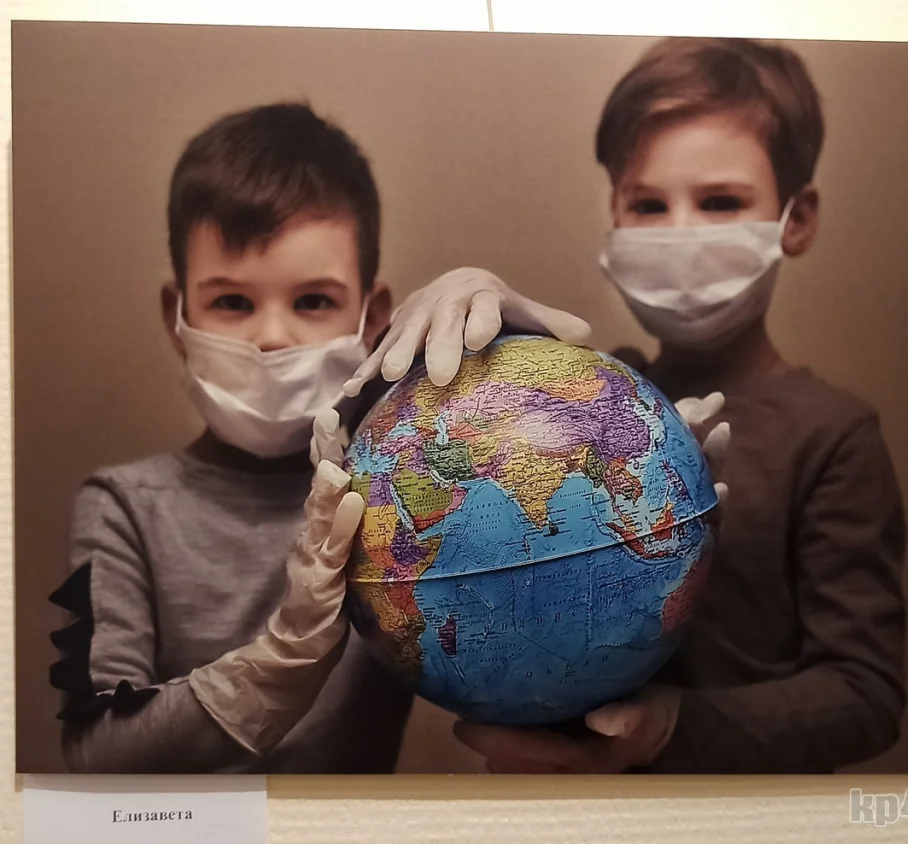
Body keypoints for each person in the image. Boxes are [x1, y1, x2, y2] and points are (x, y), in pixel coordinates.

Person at [349, 37, 907, 775]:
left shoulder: (833, 435)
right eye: (648, 204)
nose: (680, 232)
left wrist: (674, 727)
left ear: (795, 218)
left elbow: (866, 695)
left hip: (744, 816)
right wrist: (446, 328)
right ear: (613, 213)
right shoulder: (583, 398)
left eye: (720, 202)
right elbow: (407, 462)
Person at [46, 101, 595, 774]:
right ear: (176, 315)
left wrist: (505, 343)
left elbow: (554, 630)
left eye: (313, 301)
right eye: (231, 301)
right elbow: (96, 751)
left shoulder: (403, 491)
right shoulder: (124, 507)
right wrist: (281, 662)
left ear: (373, 316)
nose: (272, 336)